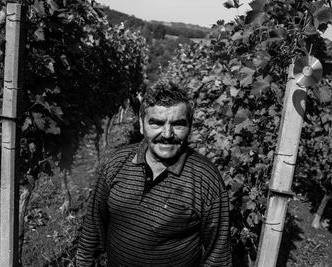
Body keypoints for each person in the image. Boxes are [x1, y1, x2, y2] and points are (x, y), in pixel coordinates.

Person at [75, 81, 232, 266]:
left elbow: (218, 256)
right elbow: (93, 226)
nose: (167, 134)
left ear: (190, 127)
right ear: (142, 126)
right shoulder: (117, 162)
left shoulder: (206, 179)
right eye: (157, 123)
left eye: (178, 124)